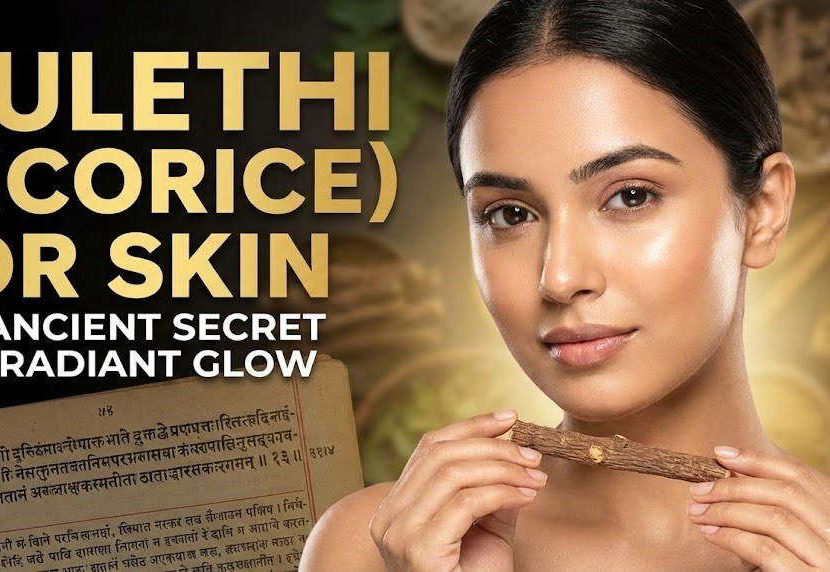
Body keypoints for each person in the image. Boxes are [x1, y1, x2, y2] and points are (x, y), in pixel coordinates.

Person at [300, 0, 830, 570]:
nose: (560, 278)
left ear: (763, 211)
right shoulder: (375, 547)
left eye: (630, 196)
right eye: (509, 214)